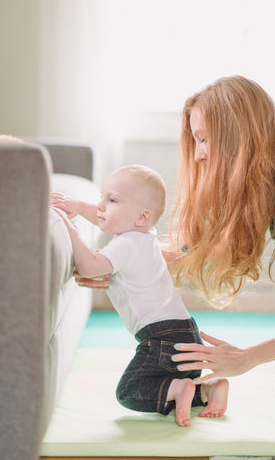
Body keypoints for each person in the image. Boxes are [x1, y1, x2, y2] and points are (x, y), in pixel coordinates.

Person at [166, 75, 275, 419]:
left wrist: (248, 356)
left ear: (236, 135)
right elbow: (197, 244)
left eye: (204, 139)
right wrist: (113, 265)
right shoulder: (265, 177)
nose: (199, 154)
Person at [51, 164, 229, 427]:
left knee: (130, 391)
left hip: (161, 341)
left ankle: (180, 388)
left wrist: (68, 226)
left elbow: (89, 265)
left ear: (142, 217)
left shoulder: (126, 243)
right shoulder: (144, 235)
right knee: (163, 384)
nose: (100, 206)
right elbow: (103, 217)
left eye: (111, 200)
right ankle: (206, 389)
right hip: (187, 338)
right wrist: (79, 206)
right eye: (102, 196)